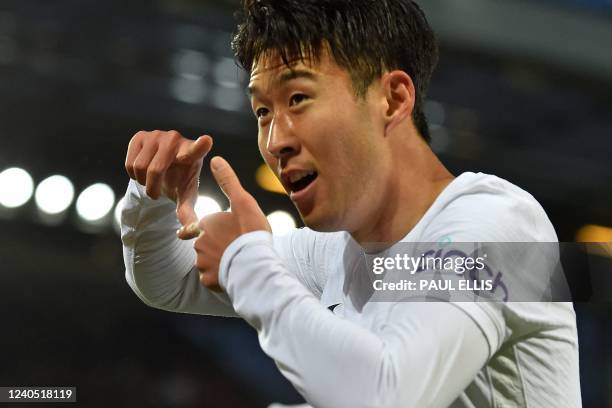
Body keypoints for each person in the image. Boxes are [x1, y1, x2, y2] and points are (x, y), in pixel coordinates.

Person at [121, 1, 581, 406]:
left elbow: (386, 394)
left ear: (392, 98)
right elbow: (171, 280)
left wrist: (245, 263)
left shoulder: (497, 224)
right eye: (263, 112)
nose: (275, 139)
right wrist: (153, 198)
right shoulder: (334, 253)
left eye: (298, 98)